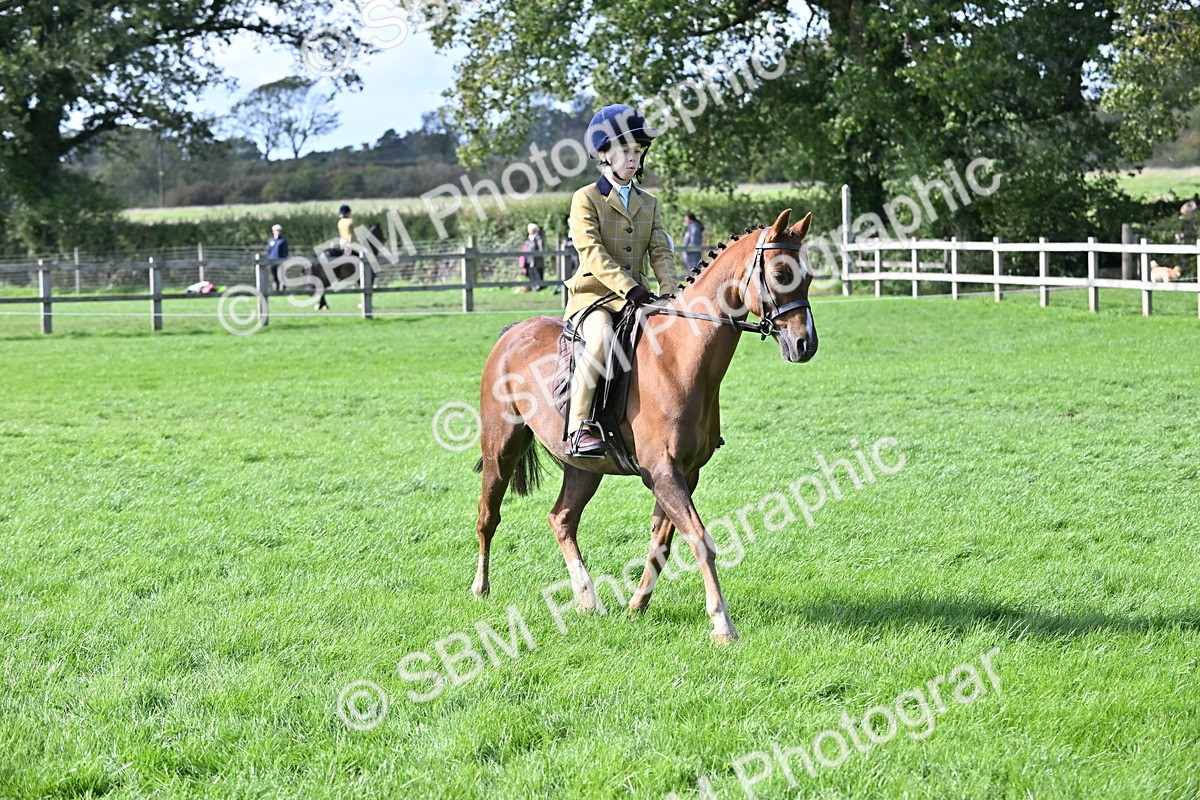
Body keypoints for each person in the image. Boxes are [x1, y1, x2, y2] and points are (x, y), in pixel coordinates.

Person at [562, 104, 677, 457]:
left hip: (639, 299)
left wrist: (671, 292)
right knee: (602, 338)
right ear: (604, 153)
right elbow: (592, 253)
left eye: (637, 152)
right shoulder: (586, 198)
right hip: (593, 298)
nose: (633, 159)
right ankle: (580, 425)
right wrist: (630, 287)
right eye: (625, 151)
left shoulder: (649, 202)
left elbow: (660, 251)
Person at [517, 223, 546, 292]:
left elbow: (541, 249)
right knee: (531, 273)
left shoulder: (539, 238)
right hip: (529, 259)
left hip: (536, 260)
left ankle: (539, 286)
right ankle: (533, 286)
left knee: (538, 272)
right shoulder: (529, 238)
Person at [266, 223, 288, 292]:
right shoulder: (271, 240)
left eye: (279, 230)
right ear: (273, 231)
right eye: (276, 230)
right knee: (274, 276)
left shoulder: (283, 241)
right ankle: (275, 289)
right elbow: (268, 251)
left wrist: (283, 259)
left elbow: (285, 251)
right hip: (272, 262)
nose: (278, 232)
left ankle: (282, 289)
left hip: (280, 262)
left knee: (281, 275)